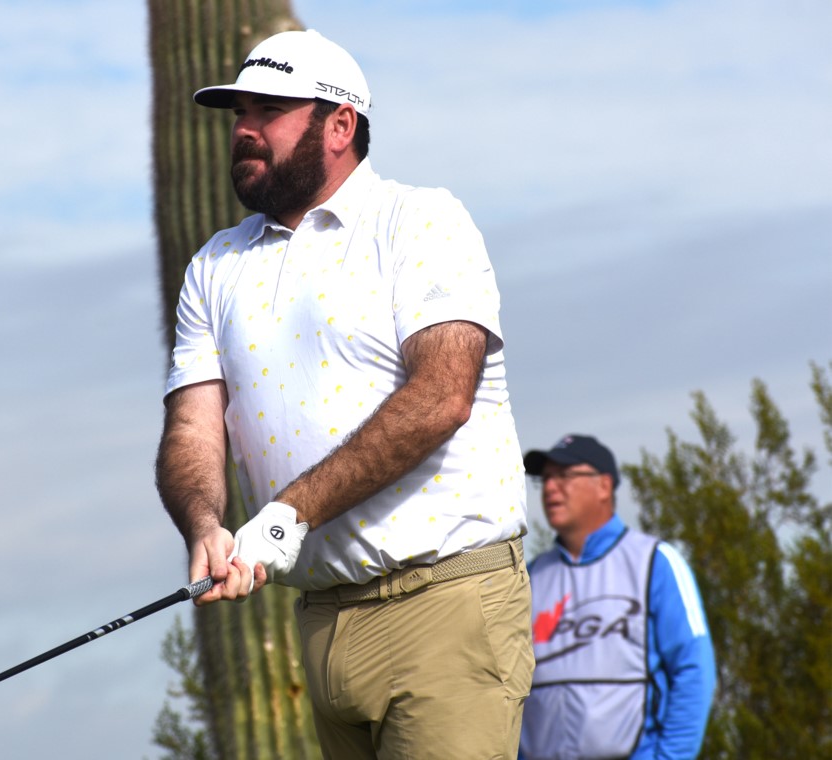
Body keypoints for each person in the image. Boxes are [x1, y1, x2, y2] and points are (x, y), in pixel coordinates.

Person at [154, 29, 532, 760]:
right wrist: (204, 524)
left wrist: (290, 511)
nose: (244, 130)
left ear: (340, 124)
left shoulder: (421, 220)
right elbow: (194, 425)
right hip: (323, 620)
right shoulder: (215, 264)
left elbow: (443, 396)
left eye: (270, 109)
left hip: (445, 604)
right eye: (238, 113)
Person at [519, 434, 716, 760]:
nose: (551, 487)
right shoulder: (529, 577)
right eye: (546, 478)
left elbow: (694, 669)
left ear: (604, 486)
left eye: (565, 475)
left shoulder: (655, 562)